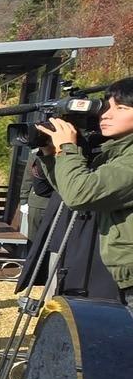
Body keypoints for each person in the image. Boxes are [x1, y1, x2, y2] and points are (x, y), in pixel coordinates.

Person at [37, 77, 133, 304]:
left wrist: (68, 148)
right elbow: (70, 190)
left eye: (121, 108)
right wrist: (52, 154)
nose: (106, 114)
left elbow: (79, 195)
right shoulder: (118, 153)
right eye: (106, 107)